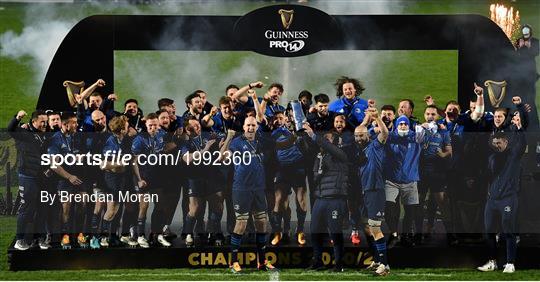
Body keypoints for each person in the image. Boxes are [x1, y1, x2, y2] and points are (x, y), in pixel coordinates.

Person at [224, 116, 289, 274]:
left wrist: (287, 130)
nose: (251, 128)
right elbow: (222, 156)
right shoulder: (237, 142)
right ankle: (233, 262)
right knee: (241, 224)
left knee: (262, 224)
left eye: (253, 125)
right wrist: (228, 138)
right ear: (244, 127)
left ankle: (262, 261)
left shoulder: (262, 142)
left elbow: (281, 144)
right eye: (248, 125)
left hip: (259, 188)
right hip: (241, 189)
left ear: (257, 127)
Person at [477, 130, 526, 274]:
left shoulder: (514, 156)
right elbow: (489, 176)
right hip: (492, 200)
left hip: (508, 198)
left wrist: (519, 130)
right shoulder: (492, 158)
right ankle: (492, 262)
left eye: (499, 143)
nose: (496, 145)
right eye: (494, 143)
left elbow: (522, 144)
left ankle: (510, 263)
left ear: (506, 142)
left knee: (508, 231)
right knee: (489, 232)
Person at [303, 123, 348, 272]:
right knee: (315, 230)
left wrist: (314, 135)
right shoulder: (319, 156)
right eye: (324, 139)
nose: (324, 141)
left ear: (334, 141)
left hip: (335, 199)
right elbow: (315, 178)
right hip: (320, 199)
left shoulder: (340, 153)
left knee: (335, 232)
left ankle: (339, 264)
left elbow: (329, 148)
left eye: (327, 139)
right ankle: (318, 261)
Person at [354, 108, 390, 275]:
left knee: (375, 228)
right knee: (368, 227)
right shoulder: (360, 150)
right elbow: (361, 128)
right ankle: (377, 261)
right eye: (356, 136)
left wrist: (377, 118)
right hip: (366, 191)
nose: (358, 138)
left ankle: (384, 264)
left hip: (375, 190)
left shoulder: (375, 145)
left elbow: (384, 133)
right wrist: (365, 121)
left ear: (368, 135)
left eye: (361, 135)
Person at [8, 110, 49, 250]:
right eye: (42, 121)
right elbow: (11, 130)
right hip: (27, 176)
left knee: (42, 208)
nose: (45, 124)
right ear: (34, 122)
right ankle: (19, 240)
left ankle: (39, 238)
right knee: (27, 209)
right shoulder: (24, 134)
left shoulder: (44, 135)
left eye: (46, 121)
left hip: (41, 177)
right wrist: (17, 117)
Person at [48, 112, 89, 249]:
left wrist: (82, 157)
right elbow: (53, 164)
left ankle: (79, 234)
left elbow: (84, 152)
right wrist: (68, 176)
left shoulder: (77, 136)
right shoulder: (55, 139)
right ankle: (64, 236)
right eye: (74, 123)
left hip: (80, 177)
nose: (77, 125)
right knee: (66, 207)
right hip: (64, 179)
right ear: (66, 125)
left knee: (82, 205)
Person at [384, 115, 425, 247]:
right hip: (392, 180)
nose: (403, 126)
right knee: (389, 209)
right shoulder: (390, 136)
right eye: (400, 124)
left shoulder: (416, 136)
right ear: (396, 125)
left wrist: (425, 127)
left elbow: (423, 137)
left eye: (405, 124)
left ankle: (406, 235)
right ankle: (394, 233)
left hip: (410, 180)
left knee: (410, 212)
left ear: (409, 125)